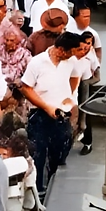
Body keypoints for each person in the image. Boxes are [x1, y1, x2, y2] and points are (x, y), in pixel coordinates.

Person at [20, 32, 80, 193]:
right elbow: (26, 88)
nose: (72, 56)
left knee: (60, 151)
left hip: (62, 113)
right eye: (70, 52)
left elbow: (75, 77)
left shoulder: (71, 61)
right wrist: (46, 107)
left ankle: (56, 186)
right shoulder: (37, 62)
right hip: (39, 114)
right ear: (61, 50)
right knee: (38, 153)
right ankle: (38, 190)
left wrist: (70, 96)